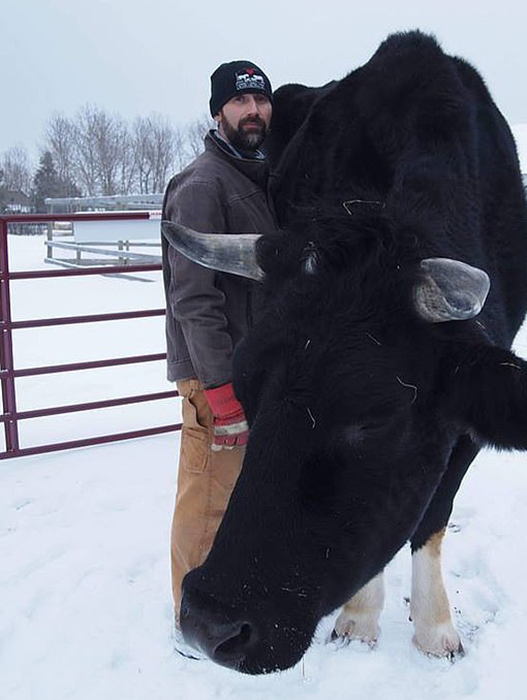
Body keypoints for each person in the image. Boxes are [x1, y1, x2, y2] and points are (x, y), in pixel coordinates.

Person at [161, 60, 276, 652]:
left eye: (261, 101)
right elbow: (193, 298)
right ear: (217, 112)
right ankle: (188, 620)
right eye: (240, 102)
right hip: (216, 375)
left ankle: (229, 596)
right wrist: (221, 393)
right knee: (207, 493)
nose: (253, 112)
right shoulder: (204, 185)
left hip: (250, 369)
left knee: (240, 494)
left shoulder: (256, 178)